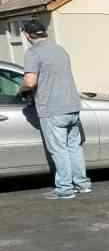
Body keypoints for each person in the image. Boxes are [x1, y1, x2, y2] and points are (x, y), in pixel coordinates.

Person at [21, 19, 91, 199]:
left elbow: (30, 82)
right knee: (74, 147)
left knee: (59, 150)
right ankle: (82, 184)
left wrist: (20, 89)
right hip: (72, 106)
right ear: (44, 32)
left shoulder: (33, 52)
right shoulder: (60, 49)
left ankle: (65, 189)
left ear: (27, 35)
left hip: (52, 109)